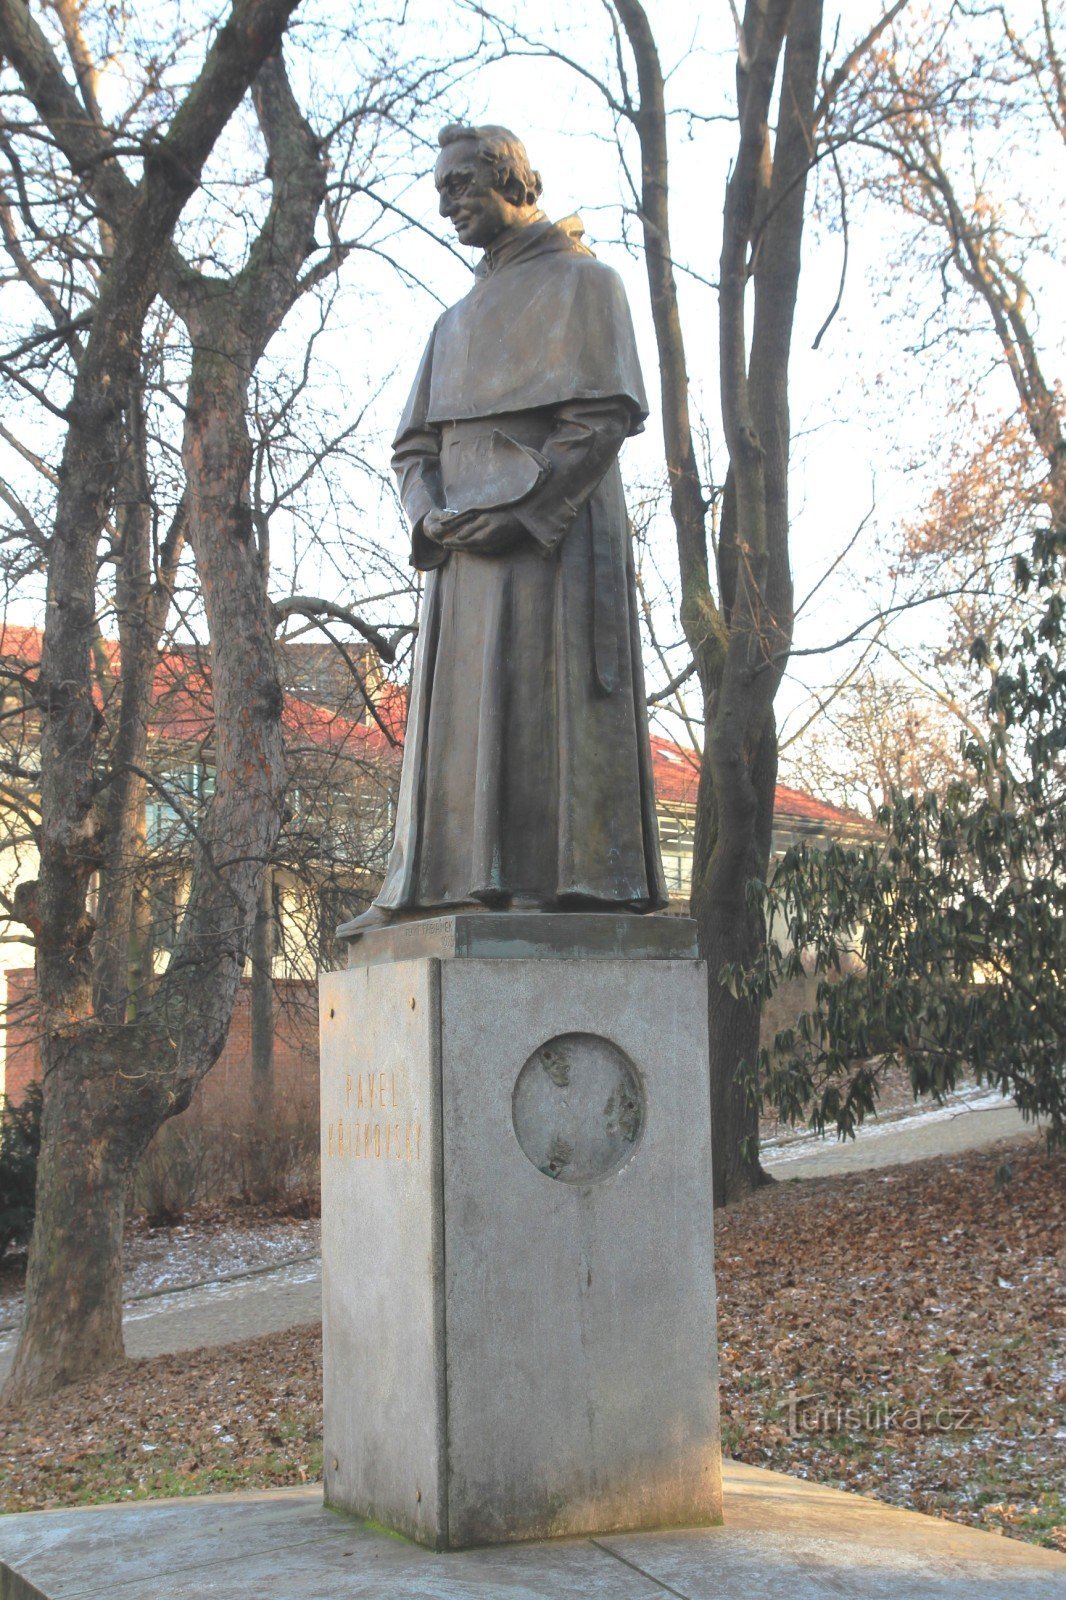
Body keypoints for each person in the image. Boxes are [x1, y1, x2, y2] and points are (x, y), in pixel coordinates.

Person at [357, 122, 666, 926]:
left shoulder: (587, 286)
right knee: (462, 724)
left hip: (550, 546)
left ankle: (564, 892)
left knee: (546, 715)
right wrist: (434, 518)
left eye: (460, 183)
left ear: (512, 180)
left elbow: (600, 417)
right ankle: (444, 884)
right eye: (439, 190)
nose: (447, 203)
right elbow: (411, 446)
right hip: (463, 560)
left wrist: (522, 514)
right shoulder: (452, 323)